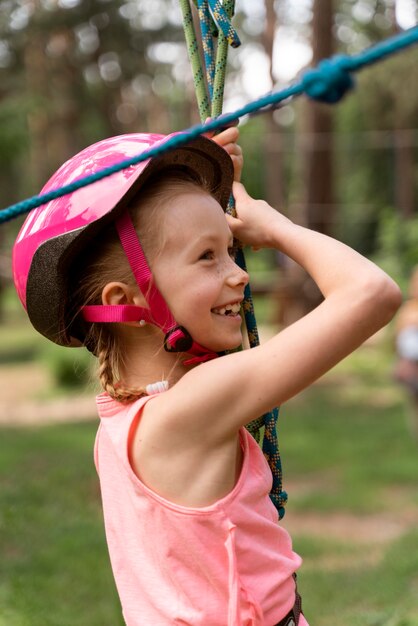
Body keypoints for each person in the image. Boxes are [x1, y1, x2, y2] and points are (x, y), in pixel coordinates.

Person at [12, 125, 401, 626]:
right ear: (124, 301)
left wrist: (206, 196)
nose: (239, 272)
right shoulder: (190, 411)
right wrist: (274, 227)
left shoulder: (128, 417)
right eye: (208, 257)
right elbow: (372, 293)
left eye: (230, 249)